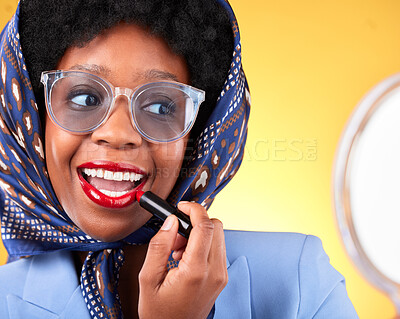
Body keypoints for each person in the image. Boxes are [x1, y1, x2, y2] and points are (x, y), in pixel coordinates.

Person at [0, 1, 358, 318]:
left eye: (160, 106)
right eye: (84, 98)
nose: (119, 132)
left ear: (199, 133)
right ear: (31, 115)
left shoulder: (298, 281)